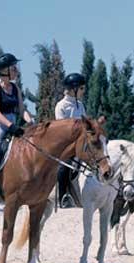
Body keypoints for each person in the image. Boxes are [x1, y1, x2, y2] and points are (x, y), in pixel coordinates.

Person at [0, 52, 33, 200]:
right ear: (5, 70)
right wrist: (10, 125)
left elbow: (22, 110)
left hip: (12, 121)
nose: (16, 71)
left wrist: (31, 122)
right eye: (13, 68)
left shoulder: (15, 88)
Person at [54, 72, 86, 208]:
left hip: (82, 141)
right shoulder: (61, 106)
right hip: (67, 144)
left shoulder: (80, 105)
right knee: (64, 167)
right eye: (82, 88)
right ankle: (64, 196)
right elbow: (62, 130)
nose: (83, 91)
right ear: (74, 89)